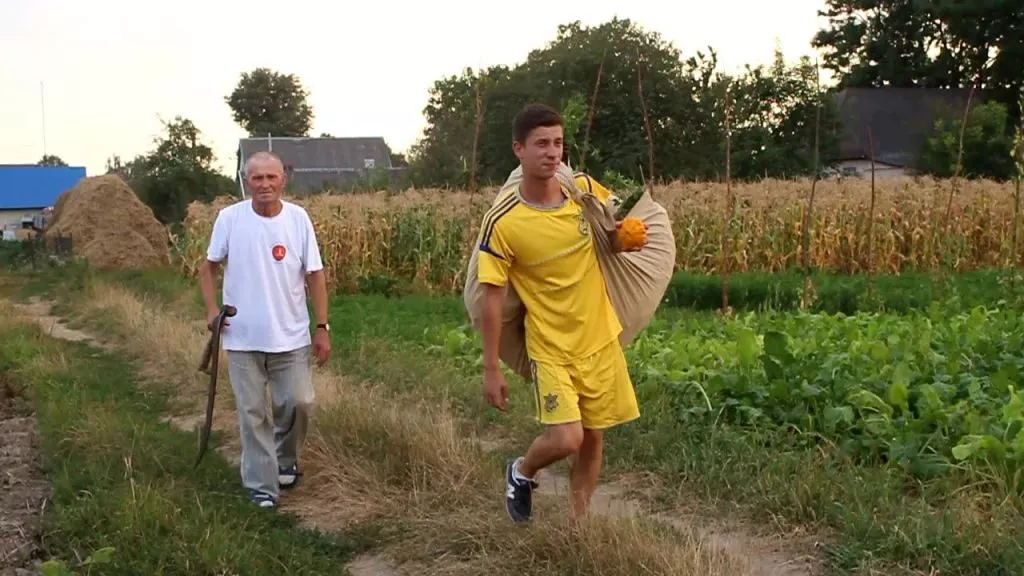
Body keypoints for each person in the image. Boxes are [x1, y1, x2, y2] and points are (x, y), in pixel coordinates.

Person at [476, 102, 646, 524]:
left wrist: (626, 238)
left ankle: (576, 526)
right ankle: (521, 470)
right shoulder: (503, 221)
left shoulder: (581, 189)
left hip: (599, 339)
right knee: (568, 437)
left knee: (593, 438)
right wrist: (491, 367)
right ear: (518, 149)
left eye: (557, 143)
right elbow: (492, 297)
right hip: (550, 346)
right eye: (541, 144)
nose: (552, 153)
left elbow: (612, 232)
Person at [198, 150, 332, 509]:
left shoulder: (298, 219)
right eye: (257, 178)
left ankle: (285, 460)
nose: (264, 184)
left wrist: (322, 326)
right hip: (242, 338)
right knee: (252, 413)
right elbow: (208, 267)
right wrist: (212, 311)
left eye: (271, 177)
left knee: (299, 403)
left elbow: (315, 275)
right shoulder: (230, 219)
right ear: (247, 181)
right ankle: (261, 486)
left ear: (282, 180)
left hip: (291, 335)